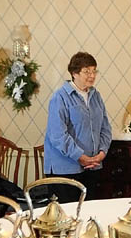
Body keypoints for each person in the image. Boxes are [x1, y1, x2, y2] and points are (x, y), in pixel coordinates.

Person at [43, 52, 112, 202]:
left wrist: (102, 153)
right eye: (87, 71)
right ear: (74, 73)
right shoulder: (60, 97)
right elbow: (57, 135)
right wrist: (80, 156)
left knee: (88, 215)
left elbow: (105, 128)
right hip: (64, 169)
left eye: (94, 71)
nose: (92, 75)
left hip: (91, 167)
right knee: (67, 219)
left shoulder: (96, 96)